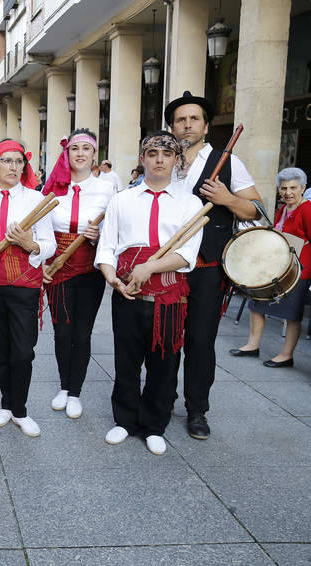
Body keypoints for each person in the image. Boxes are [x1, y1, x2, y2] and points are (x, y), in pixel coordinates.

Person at [95, 131, 203, 456]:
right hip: (126, 293)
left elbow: (186, 256)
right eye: (152, 153)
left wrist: (149, 268)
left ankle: (154, 424)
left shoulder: (191, 203)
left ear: (176, 161)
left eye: (166, 154)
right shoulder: (122, 200)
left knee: (164, 363)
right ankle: (125, 420)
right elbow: (107, 246)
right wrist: (112, 277)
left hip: (169, 299)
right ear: (142, 159)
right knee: (126, 361)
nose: (159, 159)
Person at [166, 90, 261, 441]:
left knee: (200, 340)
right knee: (165, 337)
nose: (187, 124)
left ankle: (196, 410)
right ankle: (163, 399)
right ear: (172, 127)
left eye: (194, 119)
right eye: (180, 119)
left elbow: (257, 210)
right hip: (169, 265)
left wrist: (227, 198)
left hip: (207, 268)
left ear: (206, 126)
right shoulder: (163, 160)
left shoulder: (228, 162)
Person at [0, 140, 55, 436]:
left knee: (23, 350)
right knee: (0, 347)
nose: (13, 167)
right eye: (6, 161)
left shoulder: (36, 200)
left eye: (19, 161)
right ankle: (6, 404)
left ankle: (21, 409)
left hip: (24, 280)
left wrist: (30, 245)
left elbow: (49, 244)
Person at [41, 129, 114, 419]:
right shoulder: (54, 187)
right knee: (62, 330)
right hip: (57, 265)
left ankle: (75, 392)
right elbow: (42, 228)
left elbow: (115, 232)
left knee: (82, 333)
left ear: (95, 154)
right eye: (75, 149)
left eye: (86, 148)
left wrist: (98, 236)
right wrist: (44, 262)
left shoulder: (107, 190)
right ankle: (63, 385)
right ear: (67, 153)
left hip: (89, 267)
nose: (80, 153)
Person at [231, 168, 311, 367]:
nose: (288, 192)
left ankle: (286, 355)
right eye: (283, 188)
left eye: (293, 187)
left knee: (292, 314)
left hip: (299, 269)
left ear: (303, 188)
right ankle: (252, 345)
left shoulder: (307, 209)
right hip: (277, 266)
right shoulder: (283, 209)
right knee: (257, 303)